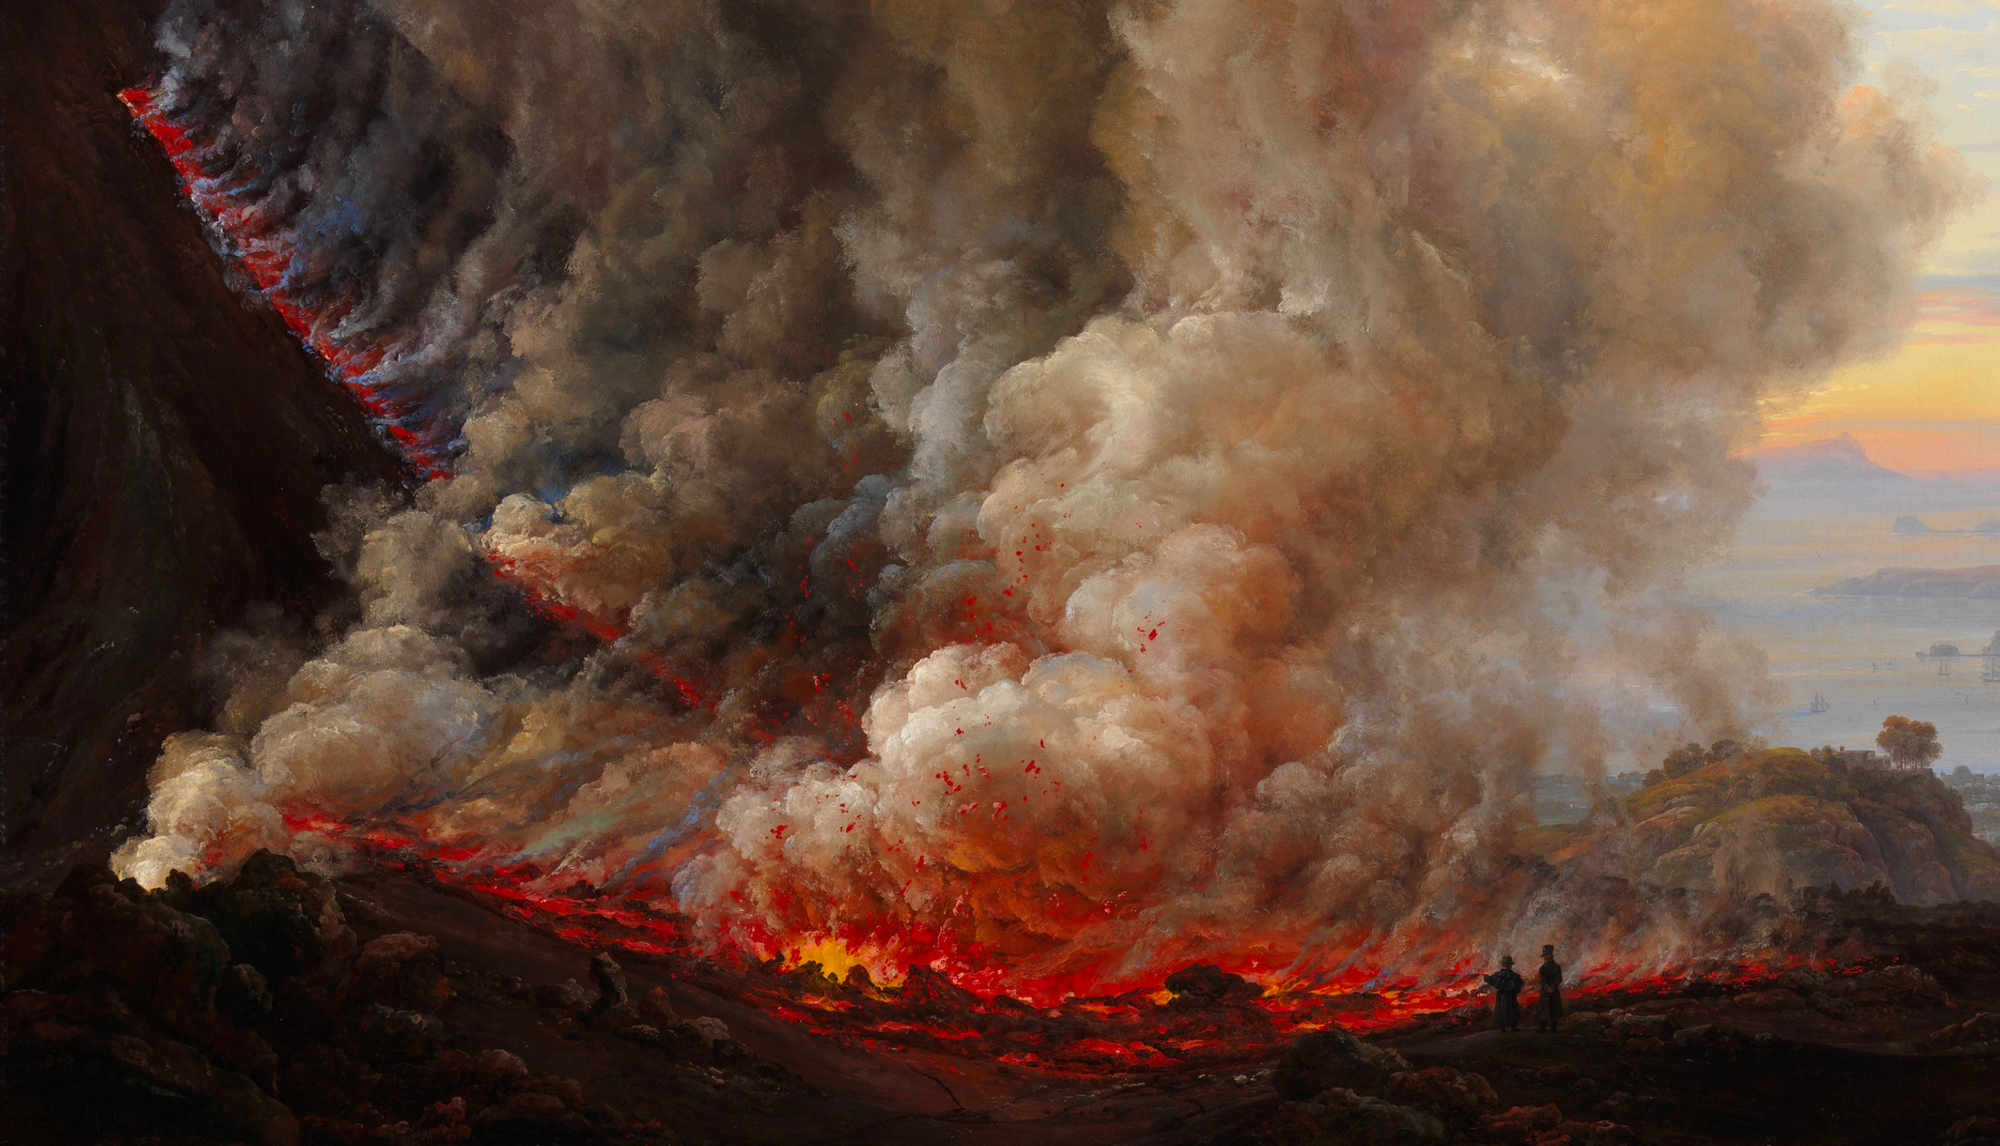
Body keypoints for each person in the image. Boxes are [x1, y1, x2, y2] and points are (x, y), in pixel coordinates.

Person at [1483, 955, 1524, 1032]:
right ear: (1510, 965)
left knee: (1501, 1010)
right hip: (1511, 996)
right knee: (1512, 1010)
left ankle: (1502, 1028)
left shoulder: (1498, 975)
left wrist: (1485, 977)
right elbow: (1518, 985)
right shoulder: (1514, 975)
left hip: (1501, 996)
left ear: (1503, 964)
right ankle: (1513, 1027)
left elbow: (1492, 980)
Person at [1536, 944, 1564, 1032]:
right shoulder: (1557, 967)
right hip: (1554, 991)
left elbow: (1542, 981)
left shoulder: (1542, 968)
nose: (1544, 957)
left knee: (1543, 1009)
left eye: (1545, 955)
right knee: (1554, 1009)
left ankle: (1542, 1029)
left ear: (1549, 955)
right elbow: (1559, 979)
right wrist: (1553, 987)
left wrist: (1547, 988)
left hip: (1545, 992)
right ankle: (1553, 1028)